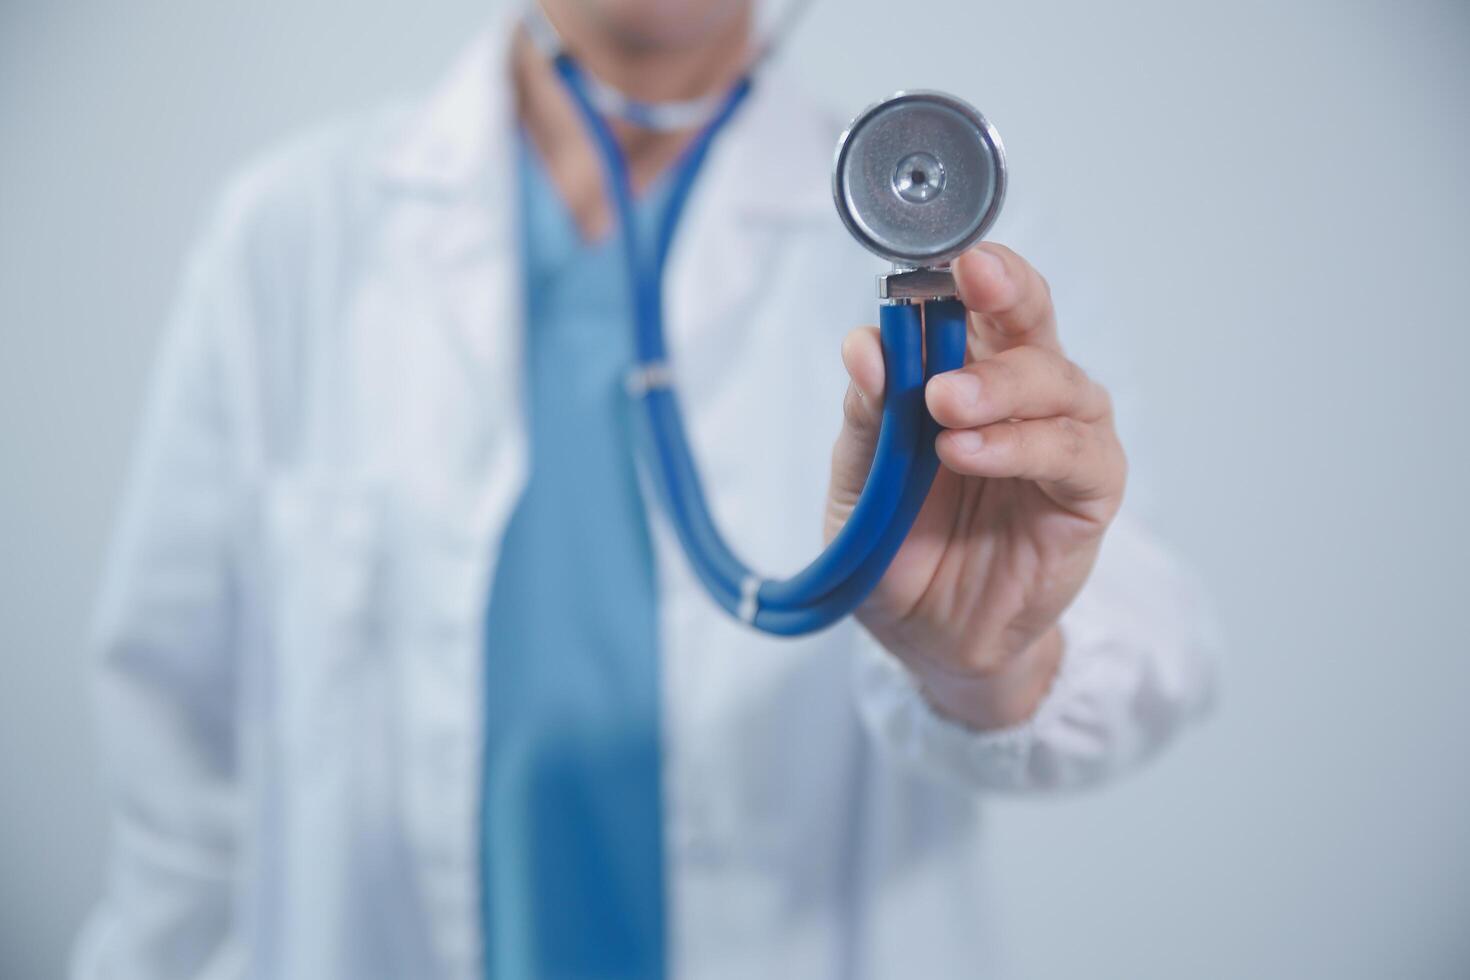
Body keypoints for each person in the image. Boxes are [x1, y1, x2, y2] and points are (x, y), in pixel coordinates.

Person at [76, 1, 1216, 977]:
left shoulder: (972, 274)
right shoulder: (292, 234)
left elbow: (1154, 638)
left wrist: (998, 657)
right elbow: (175, 783)